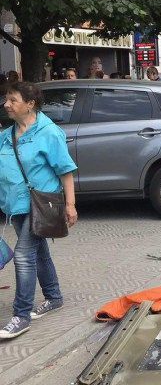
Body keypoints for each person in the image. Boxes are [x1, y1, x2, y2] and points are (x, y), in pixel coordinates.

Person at [0, 82, 78, 339]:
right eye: (6, 100)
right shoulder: (6, 135)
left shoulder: (49, 133)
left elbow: (65, 170)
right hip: (15, 206)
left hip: (41, 204)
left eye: (12, 100)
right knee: (39, 252)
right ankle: (54, 297)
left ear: (30, 104)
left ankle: (21, 316)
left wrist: (70, 204)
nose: (6, 105)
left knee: (24, 256)